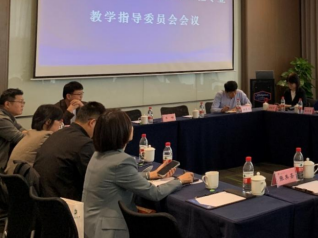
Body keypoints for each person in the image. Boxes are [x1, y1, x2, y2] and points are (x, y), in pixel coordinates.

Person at [83, 110, 194, 238]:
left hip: (90, 225)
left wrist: (150, 175)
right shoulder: (121, 161)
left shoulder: (97, 155)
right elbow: (154, 193)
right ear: (121, 132)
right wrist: (180, 180)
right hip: (108, 230)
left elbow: (117, 177)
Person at [34, 102, 106, 201]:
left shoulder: (58, 134)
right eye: (101, 125)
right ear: (92, 123)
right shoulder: (84, 143)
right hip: (65, 203)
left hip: (44, 199)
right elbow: (95, 181)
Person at [5, 104, 63, 174]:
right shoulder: (46, 136)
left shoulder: (31, 133)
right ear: (48, 122)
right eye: (59, 121)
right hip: (26, 178)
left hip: (13, 177)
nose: (61, 124)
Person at [0, 88, 27, 171]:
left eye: (23, 102)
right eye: (20, 102)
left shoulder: (9, 116)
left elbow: (22, 129)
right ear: (7, 104)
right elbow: (20, 138)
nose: (23, 105)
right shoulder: (1, 119)